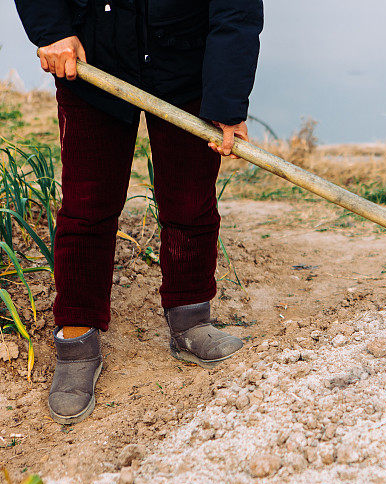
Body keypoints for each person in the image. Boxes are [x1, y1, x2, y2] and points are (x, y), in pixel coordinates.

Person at [14, 0, 264, 425]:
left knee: (190, 202)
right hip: (94, 57)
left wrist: (226, 101)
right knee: (87, 205)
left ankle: (190, 320)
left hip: (186, 64)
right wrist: (51, 31)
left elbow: (237, 8)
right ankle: (76, 338)